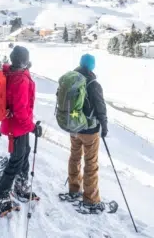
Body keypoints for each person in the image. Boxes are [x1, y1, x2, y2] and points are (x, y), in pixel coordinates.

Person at [0, 45, 42, 217]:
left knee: (24, 153)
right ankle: (1, 195)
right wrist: (33, 127)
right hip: (18, 125)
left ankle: (21, 185)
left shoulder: (11, 73)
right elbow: (20, 109)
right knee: (16, 160)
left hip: (17, 124)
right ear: (24, 61)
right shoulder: (20, 79)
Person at [67, 53, 108, 211]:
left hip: (73, 128)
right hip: (89, 130)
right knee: (90, 163)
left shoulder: (71, 79)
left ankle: (74, 189)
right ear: (92, 66)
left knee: (75, 157)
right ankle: (90, 199)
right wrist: (104, 126)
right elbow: (100, 107)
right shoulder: (93, 84)